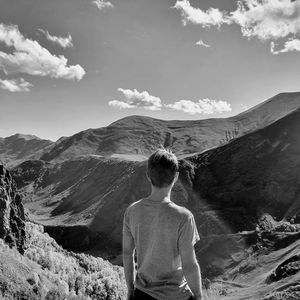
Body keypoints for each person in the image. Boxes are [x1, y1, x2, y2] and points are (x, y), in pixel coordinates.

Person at [123, 148, 203, 300]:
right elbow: (189, 264)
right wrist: (198, 295)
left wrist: (130, 290)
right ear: (176, 177)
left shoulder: (131, 211)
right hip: (176, 296)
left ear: (148, 175)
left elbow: (127, 254)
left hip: (142, 294)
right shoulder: (184, 217)